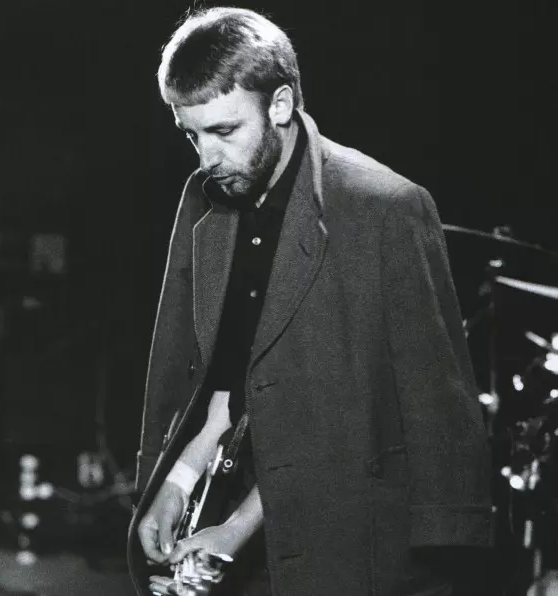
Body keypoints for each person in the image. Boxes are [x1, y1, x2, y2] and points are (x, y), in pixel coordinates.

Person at [127, 7, 493, 596]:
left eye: (224, 131)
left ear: (280, 104)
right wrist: (175, 481)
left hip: (348, 544)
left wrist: (237, 528)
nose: (206, 159)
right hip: (244, 539)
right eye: (192, 136)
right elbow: (221, 376)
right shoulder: (206, 198)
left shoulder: (386, 208)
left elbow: (429, 410)